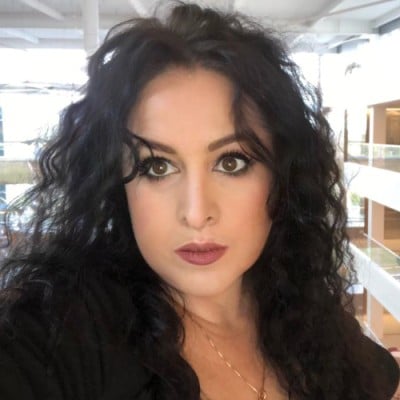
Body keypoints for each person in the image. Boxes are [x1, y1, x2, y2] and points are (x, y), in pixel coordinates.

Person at [0, 2, 398, 399]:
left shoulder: (314, 324)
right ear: (117, 186)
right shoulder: (58, 338)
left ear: (283, 176)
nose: (196, 213)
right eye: (157, 167)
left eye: (231, 162)